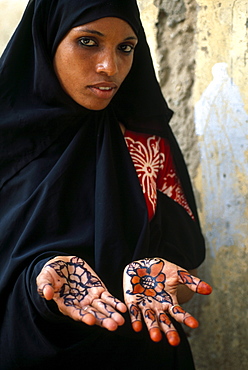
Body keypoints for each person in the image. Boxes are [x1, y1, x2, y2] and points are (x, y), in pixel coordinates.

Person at [0, 0, 212, 369]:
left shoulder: (143, 142)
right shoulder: (5, 142)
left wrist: (158, 276)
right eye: (88, 42)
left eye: (126, 48)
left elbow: (181, 271)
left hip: (143, 353)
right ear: (48, 39)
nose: (109, 67)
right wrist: (38, 282)